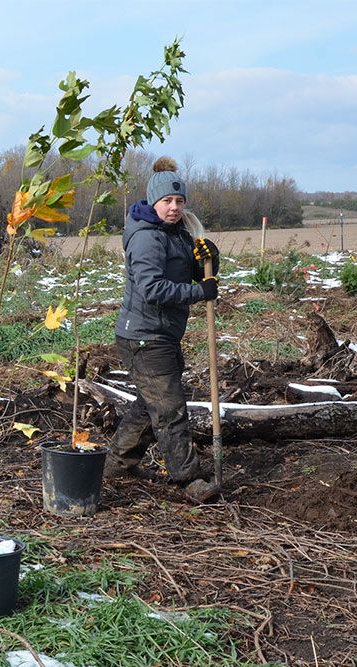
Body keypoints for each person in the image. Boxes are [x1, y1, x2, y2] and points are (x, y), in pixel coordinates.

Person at [106, 156, 221, 503]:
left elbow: (196, 271)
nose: (174, 207)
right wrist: (199, 292)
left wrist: (208, 256)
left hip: (161, 334)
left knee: (148, 404)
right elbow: (152, 289)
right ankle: (188, 480)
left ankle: (116, 464)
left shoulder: (176, 233)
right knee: (169, 409)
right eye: (167, 201)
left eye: (179, 201)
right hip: (143, 336)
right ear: (153, 201)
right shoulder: (145, 237)